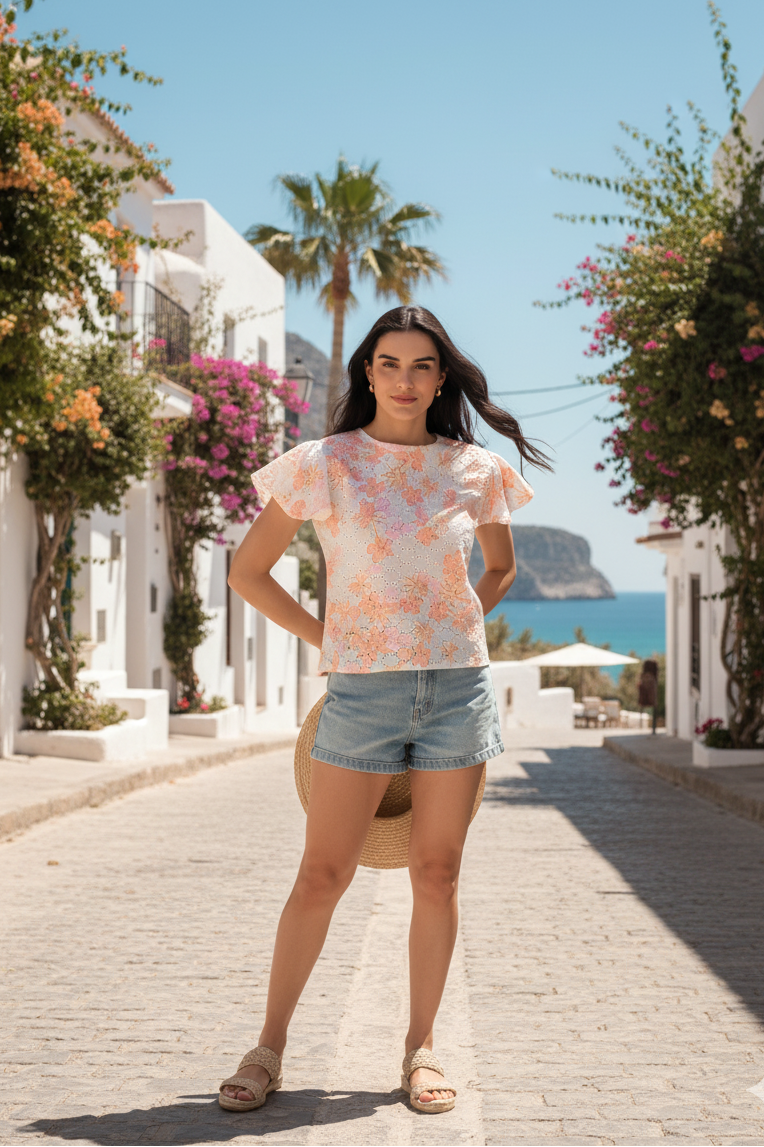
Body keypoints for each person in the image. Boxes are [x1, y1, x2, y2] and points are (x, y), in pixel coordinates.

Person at [219, 305, 551, 1114]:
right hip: (363, 693)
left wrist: (451, 623)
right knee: (321, 873)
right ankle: (268, 1046)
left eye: (423, 366)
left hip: (458, 690)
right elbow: (248, 571)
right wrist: (329, 636)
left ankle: (420, 1048)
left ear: (442, 378)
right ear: (368, 371)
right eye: (391, 363)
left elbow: (500, 569)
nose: (407, 380)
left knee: (435, 874)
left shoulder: (473, 469)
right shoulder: (323, 462)